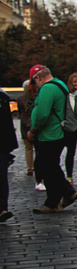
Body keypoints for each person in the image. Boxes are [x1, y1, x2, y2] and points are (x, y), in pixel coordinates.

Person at [27, 65, 77, 214]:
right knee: (51, 166)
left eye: (34, 81)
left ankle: (58, 199)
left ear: (38, 77)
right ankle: (59, 197)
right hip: (57, 133)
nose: (36, 85)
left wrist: (32, 130)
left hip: (49, 134)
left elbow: (42, 114)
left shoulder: (48, 88)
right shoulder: (60, 84)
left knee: (46, 167)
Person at [17, 79, 42, 190]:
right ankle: (35, 167)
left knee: (28, 148)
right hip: (32, 125)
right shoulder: (36, 98)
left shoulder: (20, 99)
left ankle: (30, 168)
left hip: (24, 125)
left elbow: (20, 113)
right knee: (36, 148)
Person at [1, 86, 18, 222]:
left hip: (1, 146)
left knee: (1, 176)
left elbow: (7, 124)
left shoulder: (2, 97)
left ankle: (2, 209)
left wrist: (9, 146)